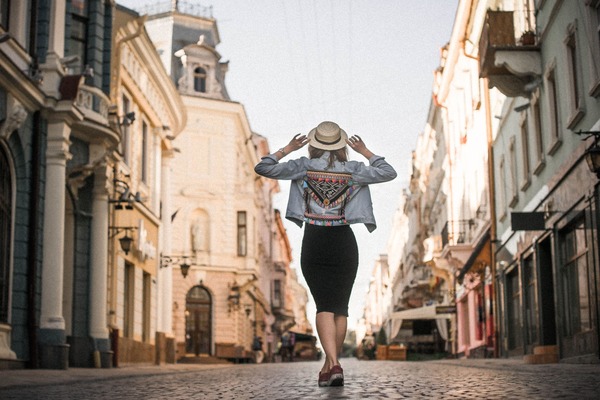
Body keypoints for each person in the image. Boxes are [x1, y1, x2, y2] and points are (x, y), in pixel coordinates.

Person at [254, 121, 397, 387]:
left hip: (315, 239)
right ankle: (331, 365)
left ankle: (333, 364)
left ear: (314, 145)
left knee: (324, 305)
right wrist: (365, 151)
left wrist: (288, 148)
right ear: (342, 146)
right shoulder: (354, 170)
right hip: (344, 240)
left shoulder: (302, 166)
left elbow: (263, 167)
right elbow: (388, 172)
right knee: (340, 307)